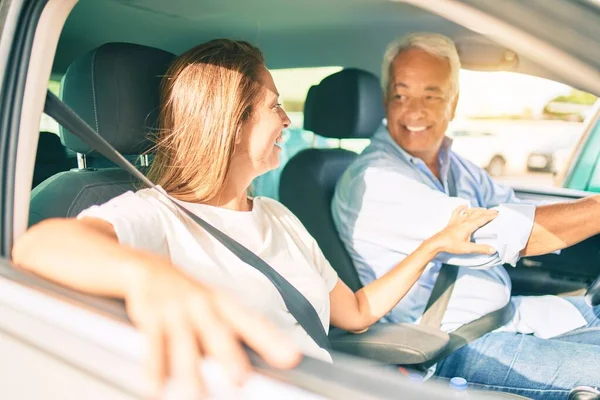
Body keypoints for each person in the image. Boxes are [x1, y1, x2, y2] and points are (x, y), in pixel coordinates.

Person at [12, 39, 496, 398]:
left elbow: (359, 312)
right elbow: (38, 247)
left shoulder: (277, 215)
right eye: (274, 106)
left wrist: (435, 243)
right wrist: (151, 277)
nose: (288, 120)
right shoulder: (154, 215)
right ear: (231, 122)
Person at [331, 32, 600, 399]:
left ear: (453, 104)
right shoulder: (374, 181)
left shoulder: (453, 165)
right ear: (385, 101)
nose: (414, 110)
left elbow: (518, 209)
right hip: (451, 346)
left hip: (509, 317)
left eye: (431, 94)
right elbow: (500, 234)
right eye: (401, 94)